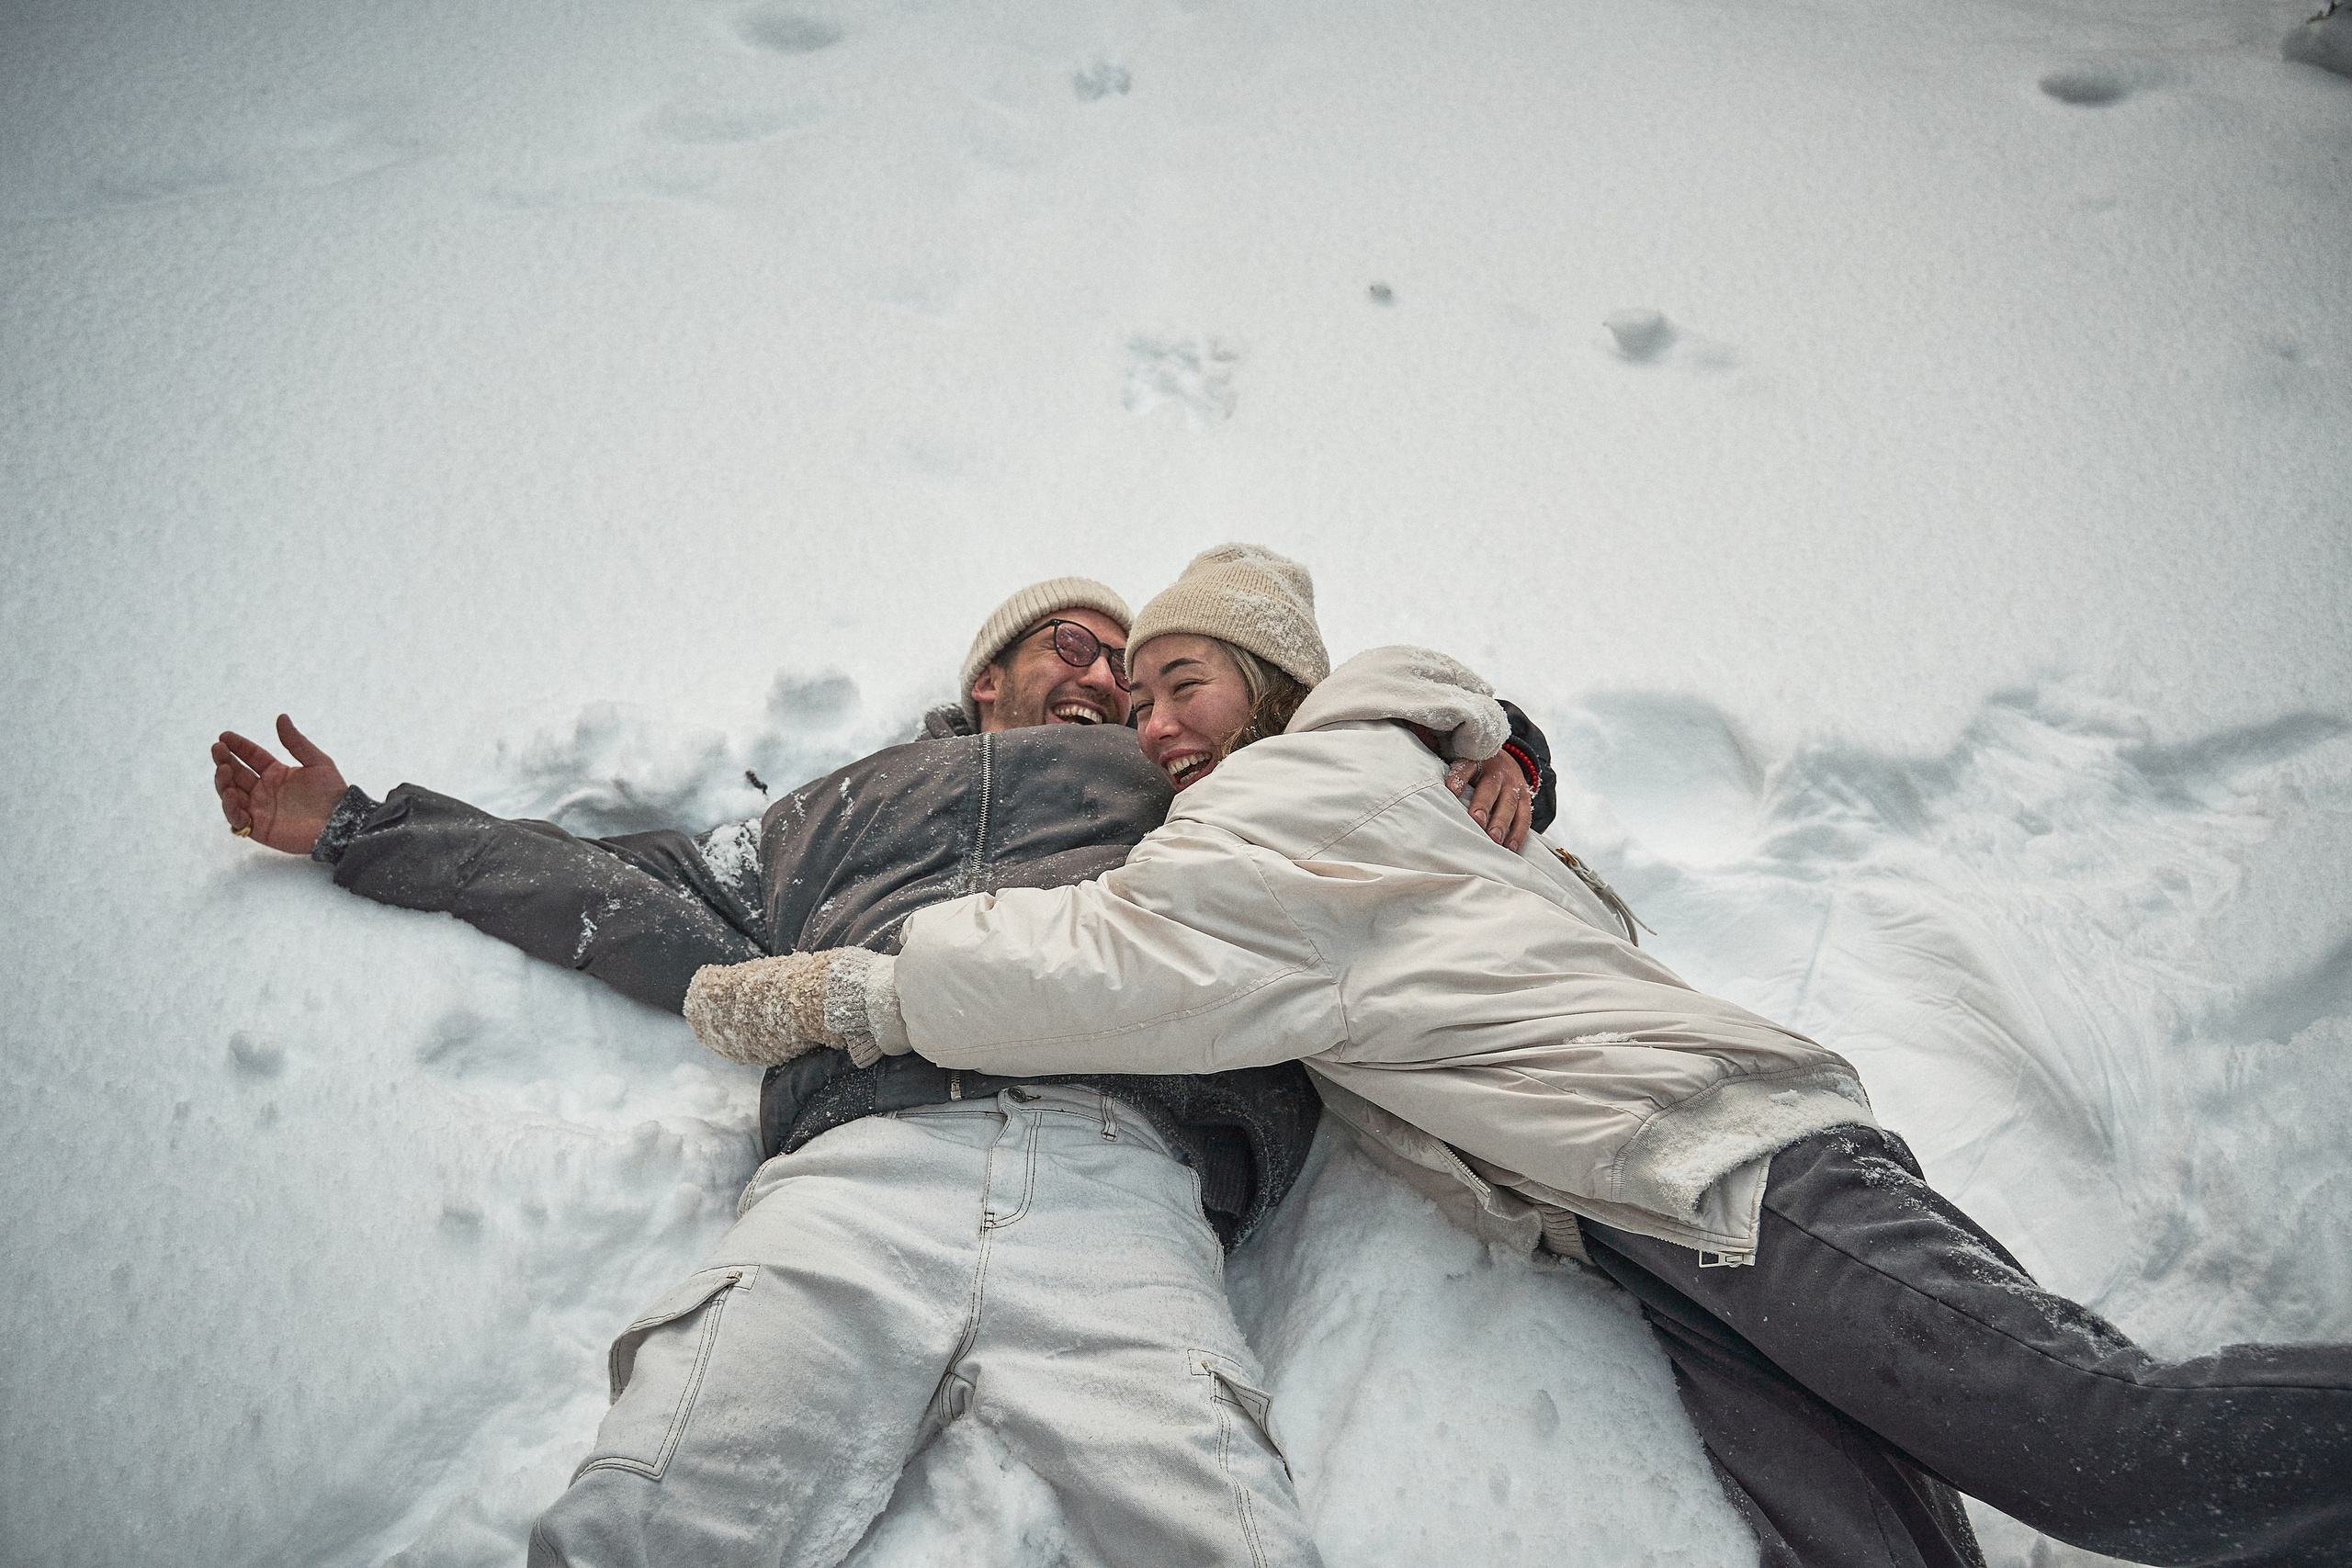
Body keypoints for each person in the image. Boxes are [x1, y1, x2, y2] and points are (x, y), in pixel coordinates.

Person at [689, 546, 2352, 1568]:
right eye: (1139, 707)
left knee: (2109, 1446)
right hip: (1656, 1204)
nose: (1153, 728)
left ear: (1269, 691)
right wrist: (1498, 742)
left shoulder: (1290, 803)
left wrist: (851, 991)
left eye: (1182, 685)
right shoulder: (1411, 783)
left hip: (1724, 1162)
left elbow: (1111, 968)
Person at [209, 568, 1553, 1568]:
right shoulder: (839, 813)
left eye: (1136, 672)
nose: (1108, 683)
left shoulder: (1195, 781)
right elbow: (612, 888)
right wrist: (362, 827)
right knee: (652, 1514)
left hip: (1124, 1183)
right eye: (1075, 650)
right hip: (858, 1173)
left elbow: (1366, 761)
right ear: (987, 677)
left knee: (1231, 1536)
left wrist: (1508, 752)